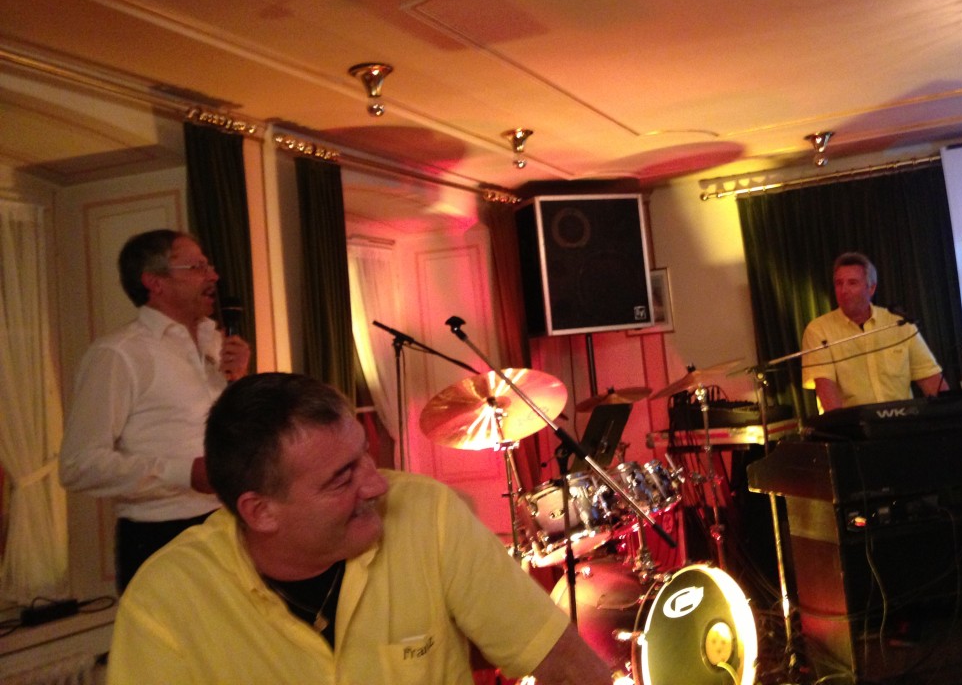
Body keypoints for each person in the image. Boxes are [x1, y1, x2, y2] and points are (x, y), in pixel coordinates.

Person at [105, 372, 613, 685]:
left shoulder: (428, 515)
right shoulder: (165, 599)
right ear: (260, 512)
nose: (376, 485)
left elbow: (566, 664)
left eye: (364, 456)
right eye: (342, 478)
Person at [59, 229, 251, 591]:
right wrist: (184, 473)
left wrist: (240, 378)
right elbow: (78, 465)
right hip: (161, 535)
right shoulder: (119, 354)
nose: (213, 276)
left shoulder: (217, 343)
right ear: (154, 282)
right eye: (197, 267)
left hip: (228, 522)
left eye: (209, 266)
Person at [801, 251, 946, 412]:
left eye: (852, 283)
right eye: (839, 283)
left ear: (871, 288)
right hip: (852, 425)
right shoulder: (819, 330)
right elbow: (827, 393)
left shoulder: (899, 324)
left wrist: (949, 416)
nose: (844, 290)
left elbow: (931, 380)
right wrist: (842, 426)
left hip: (903, 422)